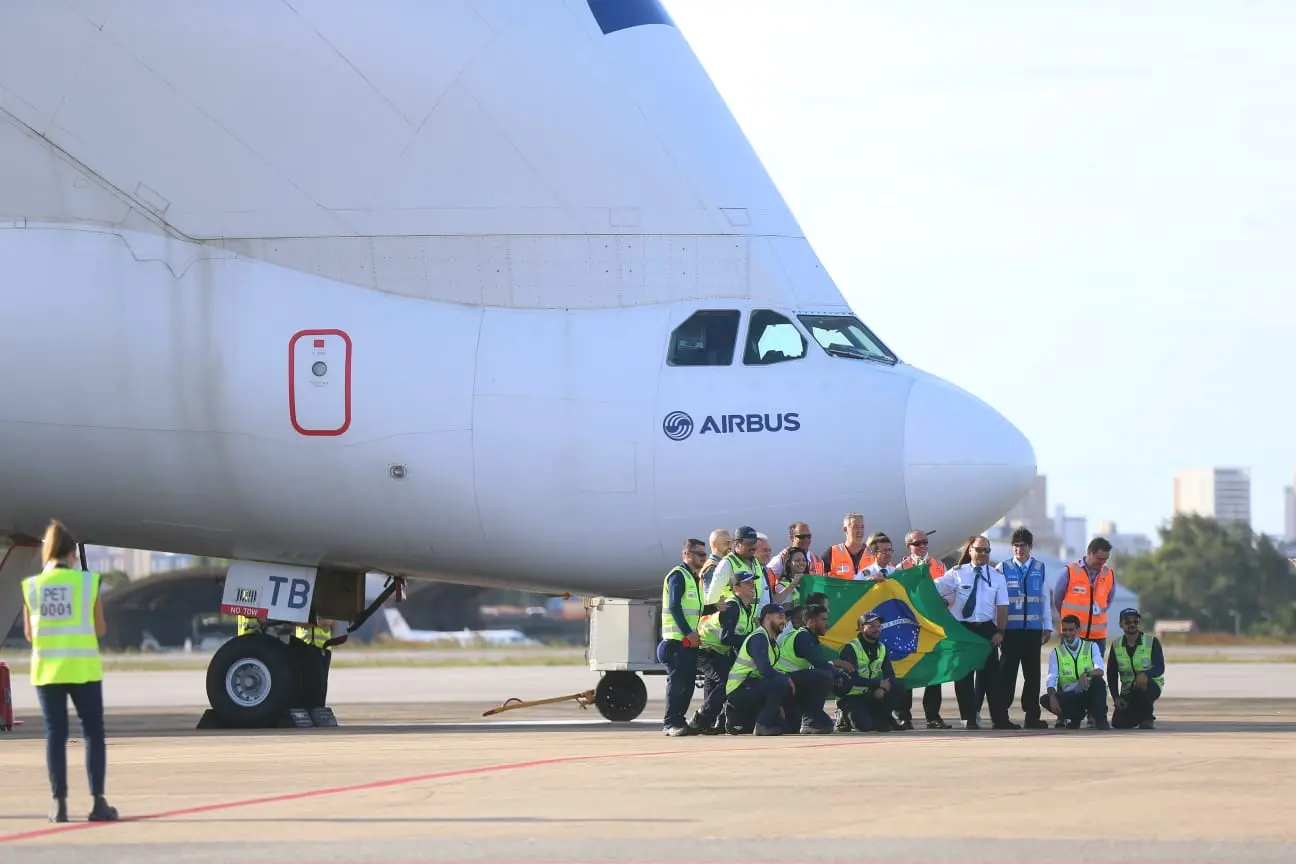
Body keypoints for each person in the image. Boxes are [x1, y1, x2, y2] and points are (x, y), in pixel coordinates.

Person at [21, 519, 119, 823]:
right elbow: (100, 628)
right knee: (92, 733)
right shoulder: (88, 583)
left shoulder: (32, 587)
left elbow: (29, 635)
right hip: (83, 669)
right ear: (72, 554)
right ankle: (98, 803)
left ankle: (59, 804)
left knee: (55, 735)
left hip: (48, 671)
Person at [935, 536, 1012, 729]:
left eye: (987, 550)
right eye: (979, 550)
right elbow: (935, 588)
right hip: (963, 629)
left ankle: (999, 719)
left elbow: (1002, 607)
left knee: (993, 676)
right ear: (970, 550)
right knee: (964, 677)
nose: (983, 554)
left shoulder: (996, 576)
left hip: (986, 629)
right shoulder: (957, 573)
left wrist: (1000, 632)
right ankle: (969, 718)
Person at [688, 572, 758, 735]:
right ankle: (700, 719)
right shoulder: (733, 606)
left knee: (717, 685)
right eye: (747, 583)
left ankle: (715, 723)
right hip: (704, 649)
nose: (752, 586)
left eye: (753, 583)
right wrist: (751, 639)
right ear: (736, 588)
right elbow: (726, 638)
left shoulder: (746, 608)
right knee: (727, 683)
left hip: (717, 651)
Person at [996, 527, 1052, 729]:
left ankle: (1032, 716)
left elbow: (1045, 599)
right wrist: (999, 628)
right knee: (1007, 675)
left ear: (1030, 547)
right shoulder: (1003, 568)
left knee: (1033, 675)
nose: (1019, 549)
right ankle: (1001, 715)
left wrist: (1048, 626)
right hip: (1011, 631)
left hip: (1033, 630)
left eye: (1023, 546)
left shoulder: (1039, 567)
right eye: (1016, 546)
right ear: (1012, 547)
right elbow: (997, 600)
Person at [895, 528, 951, 729]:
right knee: (907, 668)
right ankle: (903, 714)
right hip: (909, 625)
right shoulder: (901, 567)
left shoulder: (938, 565)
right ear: (908, 546)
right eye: (917, 543)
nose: (922, 547)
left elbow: (946, 592)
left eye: (924, 542)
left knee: (934, 671)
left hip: (931, 625)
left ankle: (933, 715)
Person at [772, 603, 846, 733]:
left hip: (790, 683)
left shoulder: (808, 637)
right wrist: (838, 675)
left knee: (793, 727)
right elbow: (818, 663)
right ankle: (811, 721)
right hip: (784, 682)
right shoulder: (803, 637)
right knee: (824, 676)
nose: (827, 623)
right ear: (811, 621)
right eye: (823, 619)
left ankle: (805, 717)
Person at [658, 538, 706, 736]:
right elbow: (675, 607)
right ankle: (670, 723)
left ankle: (679, 720)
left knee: (686, 685)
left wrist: (714, 607)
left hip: (688, 642)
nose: (704, 558)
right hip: (676, 641)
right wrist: (688, 632)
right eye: (700, 554)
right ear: (686, 555)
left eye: (704, 554)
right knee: (677, 684)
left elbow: (694, 609)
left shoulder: (693, 578)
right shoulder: (678, 576)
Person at [724, 604, 794, 735]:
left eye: (784, 618)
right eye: (780, 617)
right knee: (781, 682)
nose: (783, 622)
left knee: (787, 727)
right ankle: (763, 725)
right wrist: (785, 679)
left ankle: (739, 718)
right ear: (767, 617)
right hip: (740, 689)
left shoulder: (770, 641)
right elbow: (765, 671)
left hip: (753, 685)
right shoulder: (759, 638)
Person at [837, 612, 902, 732]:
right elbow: (851, 679)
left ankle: (881, 717)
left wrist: (881, 688)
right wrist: (877, 684)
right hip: (850, 696)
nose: (876, 629)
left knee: (898, 685)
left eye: (878, 626)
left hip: (869, 694)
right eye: (871, 626)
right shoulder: (851, 648)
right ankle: (843, 716)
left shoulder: (882, 648)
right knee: (864, 726)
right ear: (861, 628)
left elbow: (890, 675)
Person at [1043, 614, 1110, 729]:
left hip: (1088, 692)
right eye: (1065, 630)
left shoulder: (1091, 646)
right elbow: (1052, 677)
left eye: (1071, 630)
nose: (1068, 633)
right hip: (1071, 695)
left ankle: (1100, 719)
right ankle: (1075, 717)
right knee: (1045, 699)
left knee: (1099, 682)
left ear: (1078, 630)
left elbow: (1100, 670)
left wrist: (1087, 674)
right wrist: (1052, 696)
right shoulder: (1056, 653)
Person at [1107, 608, 1164, 729]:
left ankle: (1147, 717)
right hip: (1128, 690)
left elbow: (1160, 667)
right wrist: (1116, 697)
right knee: (1118, 723)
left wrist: (1146, 674)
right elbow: (1111, 673)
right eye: (1127, 622)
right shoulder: (1116, 645)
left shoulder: (1151, 642)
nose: (1132, 624)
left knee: (1141, 685)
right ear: (1121, 624)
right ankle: (1140, 716)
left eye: (1135, 622)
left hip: (1150, 685)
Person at [822, 512, 874, 579]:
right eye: (856, 527)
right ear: (845, 529)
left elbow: (888, 572)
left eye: (862, 527)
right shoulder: (831, 553)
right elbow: (818, 579)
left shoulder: (873, 553)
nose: (860, 531)